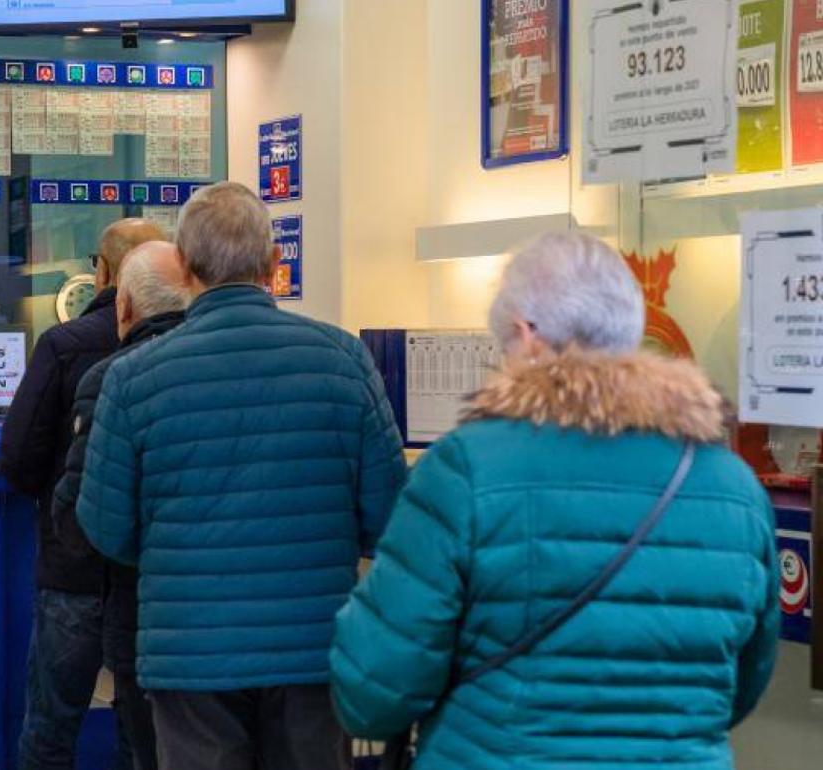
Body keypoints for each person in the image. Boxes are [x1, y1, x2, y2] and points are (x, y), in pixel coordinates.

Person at [330, 232, 779, 770]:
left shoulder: (465, 471)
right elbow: (744, 682)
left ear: (526, 334)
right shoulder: (732, 488)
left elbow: (374, 690)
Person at [76, 182, 407, 770]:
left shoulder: (134, 378)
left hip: (190, 654)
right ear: (274, 264)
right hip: (312, 649)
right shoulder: (343, 360)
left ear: (182, 265)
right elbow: (388, 518)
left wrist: (172, 554)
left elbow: (104, 525)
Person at [1, 218, 166, 770]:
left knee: (52, 725)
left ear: (103, 272)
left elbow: (20, 458)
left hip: (72, 571)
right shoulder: (186, 354)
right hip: (152, 575)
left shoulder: (65, 345)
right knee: (140, 727)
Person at [51, 241, 191, 770]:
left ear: (122, 306)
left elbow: (86, 521)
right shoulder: (327, 358)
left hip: (147, 617)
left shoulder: (116, 377)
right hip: (292, 639)